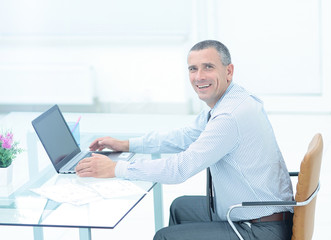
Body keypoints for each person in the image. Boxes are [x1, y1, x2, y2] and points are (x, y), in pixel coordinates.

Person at [75, 40, 294, 240]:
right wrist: (128, 144)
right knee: (179, 207)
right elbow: (186, 136)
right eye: (193, 69)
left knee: (164, 237)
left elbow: (179, 169)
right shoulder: (231, 101)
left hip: (259, 229)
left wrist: (116, 168)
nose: (199, 76)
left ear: (229, 71)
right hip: (256, 211)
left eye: (208, 67)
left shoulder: (229, 117)